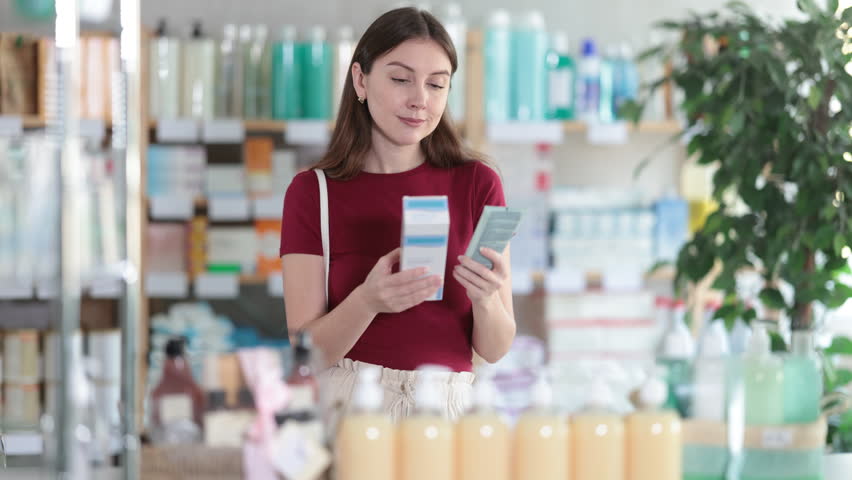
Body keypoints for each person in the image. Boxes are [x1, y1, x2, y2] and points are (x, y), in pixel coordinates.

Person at [279, 7, 515, 423]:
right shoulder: (312, 193)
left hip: (447, 414)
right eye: (401, 79)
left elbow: (495, 348)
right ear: (360, 80)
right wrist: (368, 301)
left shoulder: (479, 184)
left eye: (436, 84)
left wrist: (484, 299)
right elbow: (305, 353)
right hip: (353, 410)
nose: (419, 99)